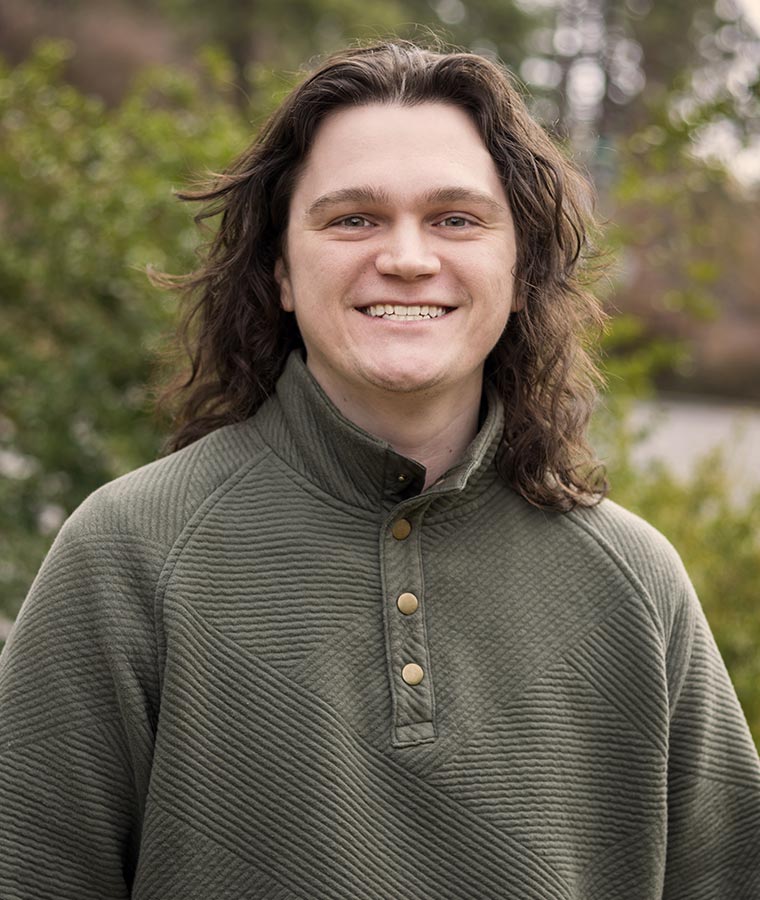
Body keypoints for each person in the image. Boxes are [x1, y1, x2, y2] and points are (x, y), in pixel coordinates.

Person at [1, 40, 758, 900]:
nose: (406, 257)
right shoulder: (127, 555)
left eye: (456, 219)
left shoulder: (634, 582)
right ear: (282, 269)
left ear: (518, 272)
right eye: (353, 218)